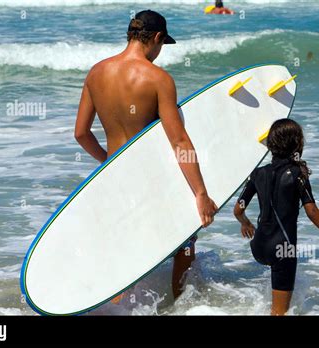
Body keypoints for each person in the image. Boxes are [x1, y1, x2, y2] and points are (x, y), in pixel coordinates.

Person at [74, 10, 218, 299]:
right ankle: (179, 305)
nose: (160, 52)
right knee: (185, 243)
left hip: (113, 179)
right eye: (162, 45)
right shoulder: (158, 79)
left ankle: (117, 306)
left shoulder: (96, 73)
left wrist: (106, 161)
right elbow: (179, 140)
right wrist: (201, 192)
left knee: (122, 250)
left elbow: (81, 133)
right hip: (152, 179)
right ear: (156, 38)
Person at [233, 119, 319, 315]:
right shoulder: (298, 174)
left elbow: (238, 208)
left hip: (259, 246)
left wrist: (245, 223)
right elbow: (311, 211)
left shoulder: (258, 174)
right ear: (297, 144)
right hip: (282, 250)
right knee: (279, 313)